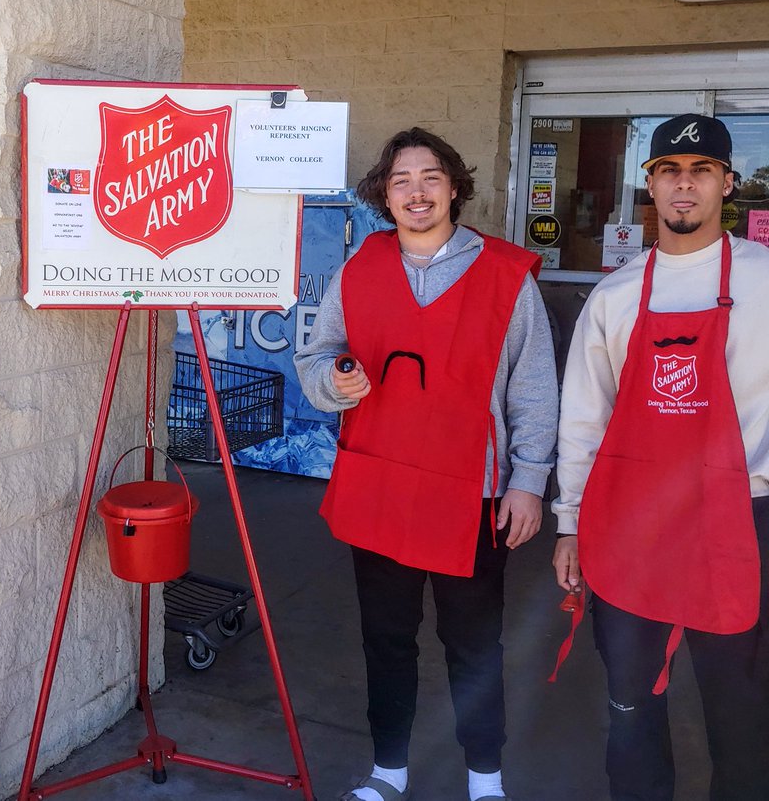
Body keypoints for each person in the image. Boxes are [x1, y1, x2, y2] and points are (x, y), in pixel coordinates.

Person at [296, 128, 557, 801]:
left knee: (475, 645)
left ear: (453, 187)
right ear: (385, 192)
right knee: (386, 640)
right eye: (402, 178)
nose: (417, 190)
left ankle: (485, 778)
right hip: (379, 485)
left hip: (469, 496)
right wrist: (335, 381)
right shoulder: (360, 270)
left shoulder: (504, 275)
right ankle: (389, 771)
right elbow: (317, 356)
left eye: (430, 176)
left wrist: (528, 482)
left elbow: (532, 390)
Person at [553, 114, 769, 800]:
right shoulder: (616, 293)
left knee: (743, 708)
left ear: (727, 184)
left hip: (745, 517)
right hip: (632, 521)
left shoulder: (767, 281)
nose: (684, 184)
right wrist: (569, 521)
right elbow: (583, 418)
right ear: (649, 186)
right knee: (631, 704)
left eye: (701, 170)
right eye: (669, 171)